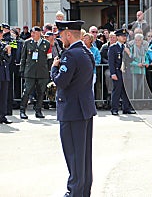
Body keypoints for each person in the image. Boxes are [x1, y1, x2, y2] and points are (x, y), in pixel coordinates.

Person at [50, 20, 97, 197]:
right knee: (84, 155)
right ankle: (83, 190)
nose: (61, 39)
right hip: (84, 109)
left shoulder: (70, 55)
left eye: (62, 36)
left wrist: (54, 69)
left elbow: (61, 81)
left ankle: (75, 191)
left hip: (71, 110)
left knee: (74, 155)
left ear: (69, 34)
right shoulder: (86, 52)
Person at [19, 26, 52, 119]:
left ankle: (38, 110)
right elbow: (23, 58)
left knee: (41, 92)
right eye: (32, 33)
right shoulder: (27, 43)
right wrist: (22, 70)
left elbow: (50, 58)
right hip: (30, 71)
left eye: (34, 33)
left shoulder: (46, 44)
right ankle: (22, 110)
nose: (32, 35)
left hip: (42, 71)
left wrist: (48, 70)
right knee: (27, 91)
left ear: (39, 33)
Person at [108, 28, 136, 115]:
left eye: (125, 36)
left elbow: (131, 59)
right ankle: (114, 109)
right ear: (117, 37)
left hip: (126, 71)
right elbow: (111, 62)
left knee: (126, 91)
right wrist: (113, 73)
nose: (124, 38)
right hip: (117, 71)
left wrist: (129, 53)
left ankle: (126, 108)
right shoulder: (113, 47)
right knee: (117, 90)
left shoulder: (126, 47)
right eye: (122, 36)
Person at [0, 25, 12, 124]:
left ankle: (2, 116)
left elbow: (8, 60)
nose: (1, 35)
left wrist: (8, 52)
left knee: (4, 96)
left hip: (4, 73)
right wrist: (4, 50)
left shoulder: (3, 44)